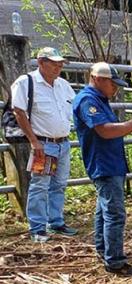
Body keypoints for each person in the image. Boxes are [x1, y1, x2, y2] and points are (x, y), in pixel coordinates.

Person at [73, 62, 132, 277]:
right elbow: (105, 131)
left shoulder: (99, 99)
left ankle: (104, 250)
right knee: (114, 214)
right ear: (97, 79)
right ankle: (115, 261)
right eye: (112, 84)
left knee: (104, 210)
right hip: (104, 164)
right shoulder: (88, 100)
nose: (115, 89)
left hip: (109, 163)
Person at [10, 47, 76, 242]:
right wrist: (33, 140)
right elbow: (19, 111)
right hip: (44, 144)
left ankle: (56, 221)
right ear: (40, 62)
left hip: (63, 142)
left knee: (59, 184)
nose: (58, 67)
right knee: (40, 185)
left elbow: (74, 106)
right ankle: (37, 228)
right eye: (54, 63)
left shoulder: (63, 84)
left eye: (60, 63)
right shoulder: (26, 82)